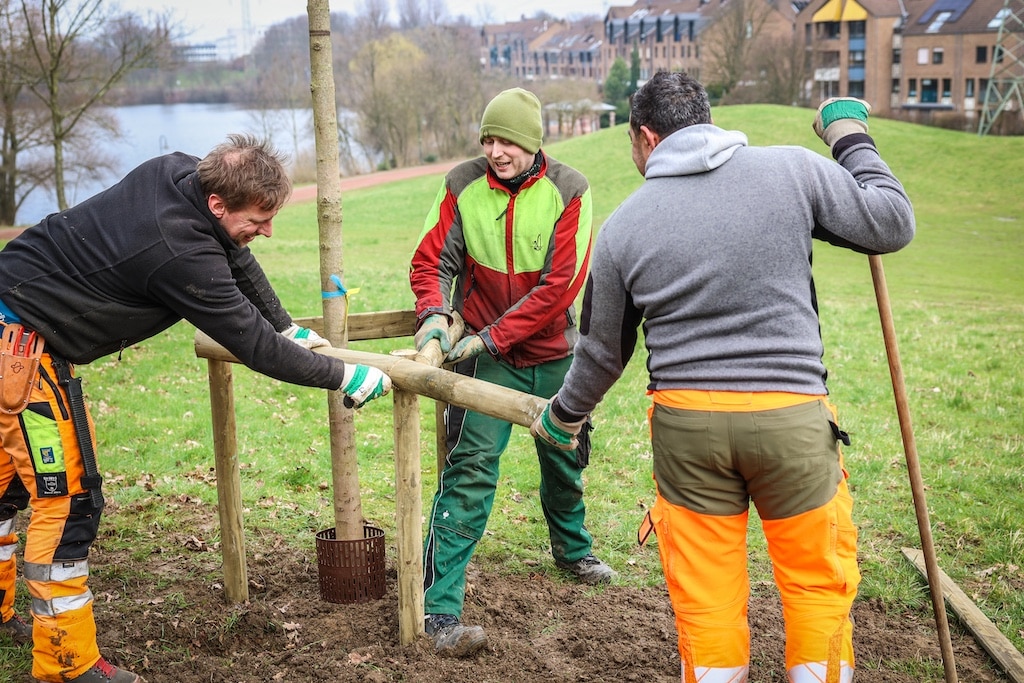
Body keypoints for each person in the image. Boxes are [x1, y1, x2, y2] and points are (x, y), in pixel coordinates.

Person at [530, 72, 915, 682]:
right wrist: (848, 135)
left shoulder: (624, 228)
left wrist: (563, 416)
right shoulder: (792, 171)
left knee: (707, 600)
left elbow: (602, 352)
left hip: (690, 434)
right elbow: (890, 222)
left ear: (646, 137)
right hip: (792, 423)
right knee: (816, 585)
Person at [0, 134, 391, 683]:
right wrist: (347, 374)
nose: (269, 230)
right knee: (68, 501)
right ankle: (66, 664)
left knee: (7, 487)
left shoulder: (183, 172)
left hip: (13, 314)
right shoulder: (177, 249)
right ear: (217, 204)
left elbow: (240, 258)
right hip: (18, 350)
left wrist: (287, 326)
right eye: (260, 216)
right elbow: (253, 347)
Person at [409, 87, 615, 657]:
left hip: (553, 358)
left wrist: (490, 335)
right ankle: (439, 608)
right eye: (489, 140)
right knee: (470, 471)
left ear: (533, 142)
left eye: (508, 141)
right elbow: (433, 261)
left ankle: (574, 553)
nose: (496, 151)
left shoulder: (570, 190)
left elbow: (561, 287)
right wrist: (432, 316)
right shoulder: (461, 184)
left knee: (565, 454)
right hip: (486, 364)